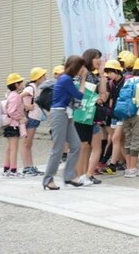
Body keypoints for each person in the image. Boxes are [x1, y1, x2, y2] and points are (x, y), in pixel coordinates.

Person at [43, 55, 92, 190]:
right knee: (58, 148)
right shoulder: (65, 79)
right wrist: (83, 79)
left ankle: (69, 176)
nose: (83, 69)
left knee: (76, 145)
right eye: (81, 66)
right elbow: (79, 95)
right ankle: (48, 179)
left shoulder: (67, 78)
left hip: (66, 113)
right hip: (59, 113)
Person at [75, 48, 107, 186]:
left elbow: (103, 95)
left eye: (100, 58)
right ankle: (81, 175)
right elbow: (80, 92)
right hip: (82, 114)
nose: (99, 61)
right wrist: (96, 98)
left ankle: (87, 174)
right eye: (96, 58)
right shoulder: (83, 72)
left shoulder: (94, 76)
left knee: (89, 146)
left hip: (91, 115)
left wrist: (102, 75)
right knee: (83, 146)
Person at [20, 67, 47, 176]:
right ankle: (27, 167)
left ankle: (30, 166)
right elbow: (17, 98)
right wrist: (26, 106)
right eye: (43, 76)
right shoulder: (31, 88)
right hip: (31, 118)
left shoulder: (35, 87)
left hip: (34, 118)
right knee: (27, 144)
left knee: (29, 144)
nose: (45, 77)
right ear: (39, 78)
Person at [2, 73, 27, 177]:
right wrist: (21, 118)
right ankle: (13, 170)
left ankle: (6, 169)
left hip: (10, 125)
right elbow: (11, 111)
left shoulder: (10, 95)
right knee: (13, 148)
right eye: (21, 82)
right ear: (16, 84)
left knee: (9, 148)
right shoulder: (16, 96)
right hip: (14, 125)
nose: (22, 84)